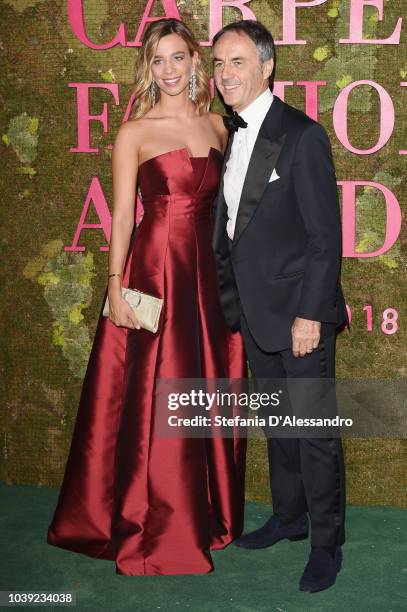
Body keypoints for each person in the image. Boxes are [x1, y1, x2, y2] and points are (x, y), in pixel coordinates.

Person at [47, 17, 247, 576]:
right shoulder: (134, 132)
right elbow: (122, 219)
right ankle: (157, 524)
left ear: (194, 61)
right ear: (147, 68)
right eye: (158, 60)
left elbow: (236, 211)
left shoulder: (220, 125)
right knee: (157, 392)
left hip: (209, 275)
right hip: (156, 272)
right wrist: (115, 288)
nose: (169, 70)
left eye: (178, 57)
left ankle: (207, 513)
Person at [212, 20, 348, 593]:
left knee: (313, 430)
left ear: (267, 67)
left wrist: (310, 316)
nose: (225, 74)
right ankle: (289, 518)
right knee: (278, 426)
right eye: (218, 64)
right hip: (255, 312)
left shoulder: (302, 135)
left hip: (300, 319)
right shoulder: (226, 133)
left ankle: (326, 543)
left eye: (237, 62)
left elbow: (325, 238)